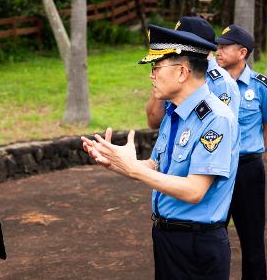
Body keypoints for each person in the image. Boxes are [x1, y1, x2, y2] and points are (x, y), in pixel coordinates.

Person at [82, 24, 239, 279]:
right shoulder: (175, 113)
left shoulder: (216, 119)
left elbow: (194, 190)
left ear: (181, 72)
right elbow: (158, 166)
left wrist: (133, 170)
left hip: (197, 244)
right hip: (167, 237)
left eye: (156, 68)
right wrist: (117, 163)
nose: (151, 75)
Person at [215, 25, 267, 280]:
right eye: (218, 45)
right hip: (214, 170)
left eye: (224, 46)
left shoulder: (263, 87)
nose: (218, 50)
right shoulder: (210, 85)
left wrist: (246, 153)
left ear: (242, 52)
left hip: (247, 171)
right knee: (211, 236)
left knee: (253, 241)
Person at [146, 16, 240, 129]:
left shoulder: (222, 83)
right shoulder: (174, 72)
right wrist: (160, 80)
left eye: (180, 43)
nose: (174, 50)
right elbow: (154, 120)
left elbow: (223, 129)